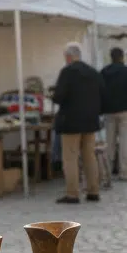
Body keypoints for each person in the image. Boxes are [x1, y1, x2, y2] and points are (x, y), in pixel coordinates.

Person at [52, 44, 106, 204]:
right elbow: (103, 94)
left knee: (70, 157)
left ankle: (72, 193)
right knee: (89, 156)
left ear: (68, 57)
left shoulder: (67, 72)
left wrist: (53, 95)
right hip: (90, 121)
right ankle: (93, 191)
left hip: (70, 121)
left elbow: (59, 96)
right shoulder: (93, 72)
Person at [101, 47, 127, 181]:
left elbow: (100, 91)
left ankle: (107, 172)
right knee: (125, 142)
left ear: (110, 57)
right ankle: (125, 172)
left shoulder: (104, 72)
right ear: (122, 57)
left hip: (108, 111)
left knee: (109, 143)